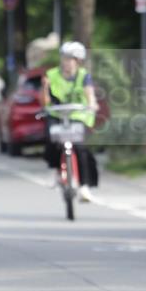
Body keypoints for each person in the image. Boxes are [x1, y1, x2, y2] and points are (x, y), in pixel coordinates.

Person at [42, 41, 98, 202]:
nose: (65, 61)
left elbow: (89, 95)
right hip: (57, 114)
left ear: (77, 61)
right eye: (64, 58)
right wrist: (44, 88)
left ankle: (84, 187)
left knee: (81, 149)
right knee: (51, 138)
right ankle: (54, 170)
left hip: (77, 115)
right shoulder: (51, 74)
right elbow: (44, 101)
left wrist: (92, 105)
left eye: (70, 58)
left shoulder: (83, 76)